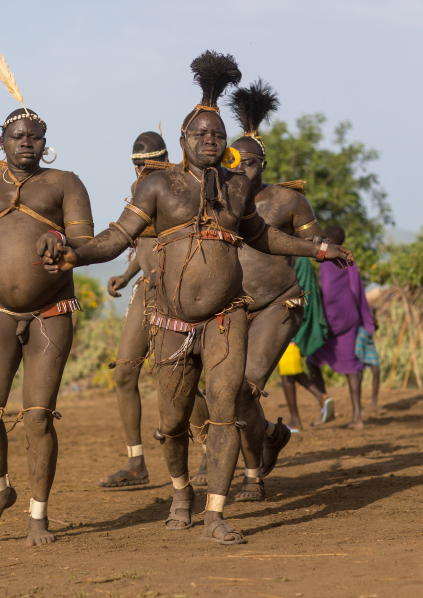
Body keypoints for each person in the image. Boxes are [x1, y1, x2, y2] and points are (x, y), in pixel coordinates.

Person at [40, 51, 354, 545]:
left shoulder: (236, 189)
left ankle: (215, 512)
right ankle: (182, 493)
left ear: (226, 144)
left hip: (228, 317)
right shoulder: (158, 185)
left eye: (218, 134)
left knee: (226, 408)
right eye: (201, 134)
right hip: (169, 320)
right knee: (171, 421)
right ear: (184, 140)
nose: (210, 140)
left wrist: (316, 248)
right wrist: (74, 255)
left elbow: (260, 236)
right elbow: (118, 237)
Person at [0, 108, 94, 546]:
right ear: (2, 141)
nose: (25, 142)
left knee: (37, 419)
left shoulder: (65, 182)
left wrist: (63, 241)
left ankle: (38, 517)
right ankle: (2, 490)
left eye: (33, 136)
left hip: (51, 311)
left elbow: (84, 242)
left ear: (44, 140)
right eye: (17, 135)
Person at [190, 80, 329, 502]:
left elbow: (312, 245)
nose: (242, 170)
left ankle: (251, 477)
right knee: (199, 389)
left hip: (277, 304)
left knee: (243, 387)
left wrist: (324, 253)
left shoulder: (288, 201)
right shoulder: (216, 198)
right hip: (227, 307)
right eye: (236, 162)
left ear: (263, 164)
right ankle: (269, 433)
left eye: (250, 164)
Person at [99, 131, 169, 487]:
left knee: (176, 377)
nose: (141, 167)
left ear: (164, 158)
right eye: (136, 162)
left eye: (147, 161)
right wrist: (127, 275)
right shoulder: (139, 187)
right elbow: (140, 240)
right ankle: (136, 463)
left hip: (176, 290)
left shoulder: (180, 186)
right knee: (124, 372)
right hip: (145, 289)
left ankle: (207, 451)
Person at [306, 225, 375, 429]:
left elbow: (351, 289)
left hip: (332, 320)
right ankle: (357, 417)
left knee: (312, 359)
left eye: (323, 238)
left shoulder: (328, 257)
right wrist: (364, 317)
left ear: (328, 240)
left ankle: (325, 404)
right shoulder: (343, 259)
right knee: (351, 365)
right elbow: (357, 290)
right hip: (346, 318)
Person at [280, 256, 334, 431]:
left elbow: (297, 294)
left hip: (291, 320)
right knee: (290, 371)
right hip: (296, 317)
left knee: (287, 372)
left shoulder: (294, 256)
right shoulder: (302, 258)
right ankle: (320, 399)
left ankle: (300, 416)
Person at [355, 308, 385, 414]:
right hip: (358, 339)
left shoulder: (370, 308)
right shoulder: (357, 306)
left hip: (368, 341)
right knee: (358, 374)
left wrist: (374, 320)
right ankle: (358, 407)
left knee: (376, 370)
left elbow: (375, 328)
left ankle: (374, 403)